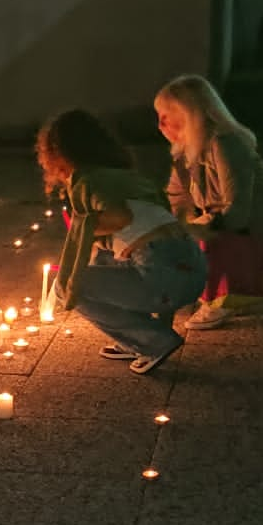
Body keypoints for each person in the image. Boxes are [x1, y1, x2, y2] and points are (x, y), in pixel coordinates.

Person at [39, 109, 207, 374]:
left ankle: (152, 342)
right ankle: (135, 340)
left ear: (59, 157)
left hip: (162, 277)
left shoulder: (88, 181)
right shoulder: (127, 178)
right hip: (193, 270)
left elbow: (119, 216)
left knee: (68, 287)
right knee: (102, 257)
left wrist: (84, 228)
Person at [153, 75, 263, 329]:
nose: (159, 125)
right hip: (221, 224)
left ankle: (221, 300)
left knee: (204, 241)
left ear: (189, 113)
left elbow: (237, 208)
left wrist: (196, 228)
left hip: (249, 231)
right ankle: (200, 290)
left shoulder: (225, 144)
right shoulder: (185, 153)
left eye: (165, 115)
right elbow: (176, 201)